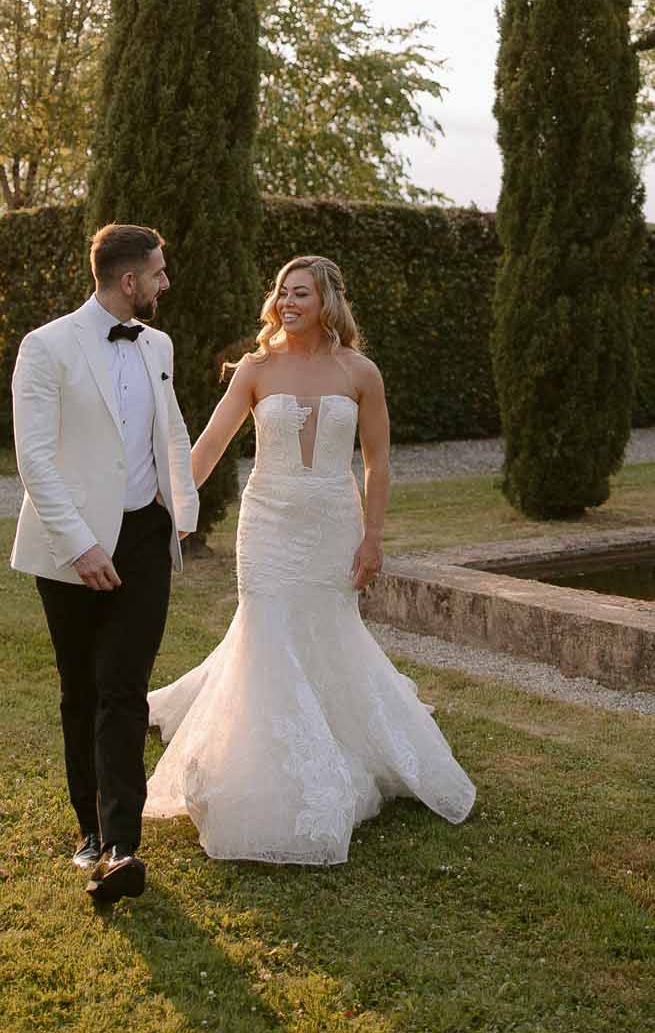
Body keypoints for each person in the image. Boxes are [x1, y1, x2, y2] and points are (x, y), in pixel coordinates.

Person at [144, 254, 475, 865]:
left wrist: (372, 537)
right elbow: (209, 448)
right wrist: (160, 505)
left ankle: (346, 745)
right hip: (266, 523)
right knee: (266, 631)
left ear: (327, 301)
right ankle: (258, 773)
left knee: (328, 633)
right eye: (281, 292)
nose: (287, 301)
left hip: (331, 523)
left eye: (300, 293)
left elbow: (377, 462)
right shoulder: (254, 369)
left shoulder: (361, 372)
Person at [10, 222, 198, 906]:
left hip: (145, 538)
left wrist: (182, 511)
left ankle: (122, 846)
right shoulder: (47, 346)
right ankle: (88, 829)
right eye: (158, 272)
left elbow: (168, 428)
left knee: (124, 689)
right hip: (72, 547)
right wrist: (80, 544)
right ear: (128, 281)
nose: (164, 284)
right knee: (81, 690)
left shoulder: (159, 345)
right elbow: (34, 457)